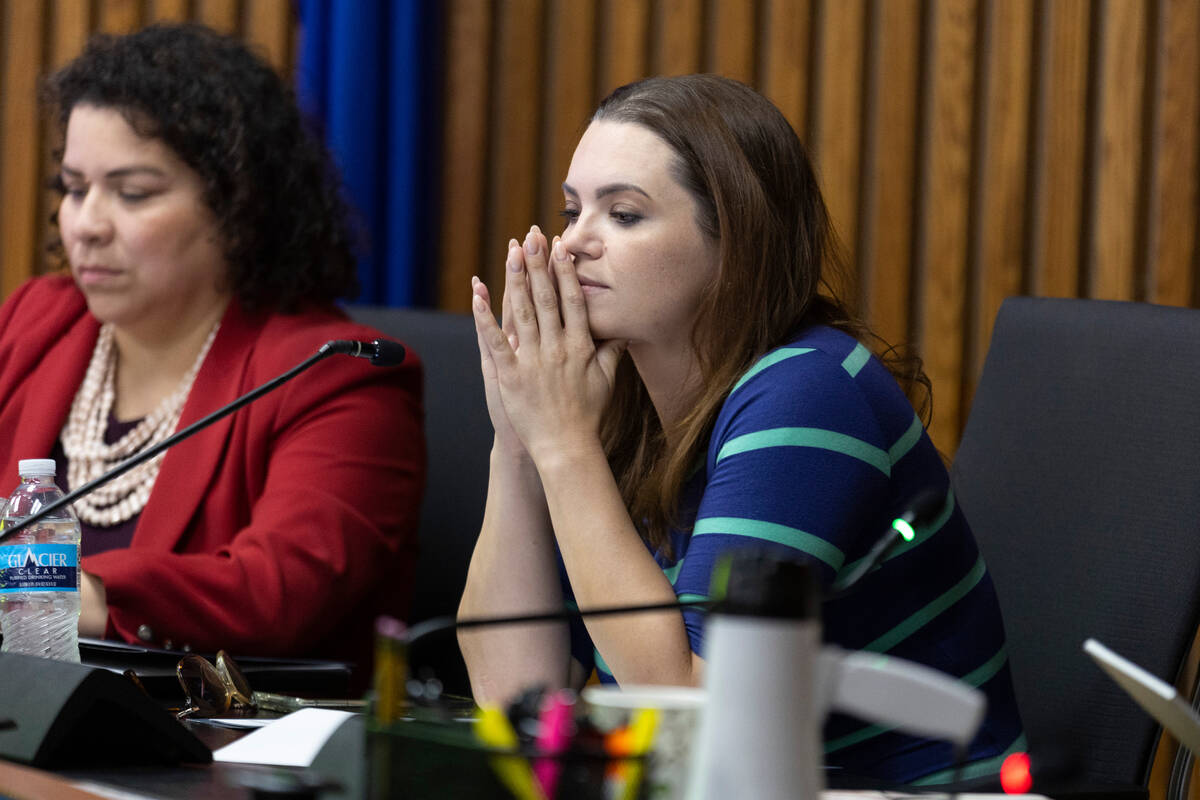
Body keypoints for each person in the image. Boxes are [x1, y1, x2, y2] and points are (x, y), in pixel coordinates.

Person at [458, 74, 1023, 783]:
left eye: (624, 215)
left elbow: (690, 713)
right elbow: (517, 702)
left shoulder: (809, 392)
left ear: (735, 246)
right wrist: (518, 440)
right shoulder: (606, 400)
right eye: (573, 210)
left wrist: (563, 446)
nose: (572, 244)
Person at [0, 24, 424, 675]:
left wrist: (44, 597)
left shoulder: (336, 374)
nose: (86, 224)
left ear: (236, 206)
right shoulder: (35, 320)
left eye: (132, 193)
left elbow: (275, 594)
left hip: (207, 755)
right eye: (74, 188)